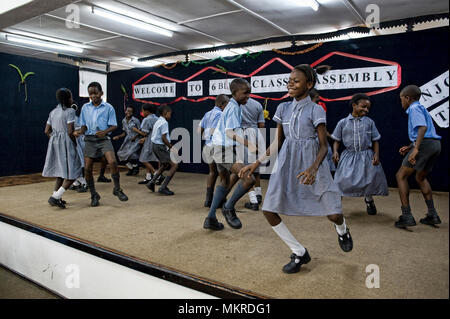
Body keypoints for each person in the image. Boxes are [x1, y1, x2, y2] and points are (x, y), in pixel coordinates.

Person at [239, 65, 352, 274]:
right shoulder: (282, 108)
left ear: (309, 85)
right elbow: (277, 142)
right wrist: (256, 163)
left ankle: (342, 229)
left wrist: (313, 168)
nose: (290, 83)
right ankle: (299, 251)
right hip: (287, 163)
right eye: (289, 80)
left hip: (313, 163)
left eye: (296, 81)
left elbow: (323, 145)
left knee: (334, 214)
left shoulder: (316, 109)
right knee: (269, 210)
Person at [203, 78, 257, 231]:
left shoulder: (235, 106)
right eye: (245, 93)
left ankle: (211, 218)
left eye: (250, 93)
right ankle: (228, 207)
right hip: (222, 150)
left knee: (225, 182)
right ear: (234, 93)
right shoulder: (233, 107)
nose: (248, 96)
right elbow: (229, 132)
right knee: (249, 178)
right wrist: (249, 144)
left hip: (217, 147)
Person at [331, 93, 389, 215]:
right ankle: (336, 207)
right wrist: (335, 151)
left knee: (367, 180)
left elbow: (375, 140)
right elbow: (337, 140)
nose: (366, 110)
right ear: (354, 105)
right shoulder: (342, 123)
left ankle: (369, 200)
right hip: (349, 156)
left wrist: (376, 154)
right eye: (363, 106)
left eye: (368, 108)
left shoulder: (369, 122)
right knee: (340, 181)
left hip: (366, 155)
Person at [394, 85, 442, 228]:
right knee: (420, 177)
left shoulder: (414, 108)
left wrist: (415, 149)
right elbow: (426, 131)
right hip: (435, 145)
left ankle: (407, 216)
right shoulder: (421, 108)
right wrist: (410, 146)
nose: (401, 102)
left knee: (400, 176)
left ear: (408, 98)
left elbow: (422, 128)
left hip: (424, 146)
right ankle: (433, 215)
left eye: (401, 99)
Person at [75, 82, 128, 206]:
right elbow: (83, 126)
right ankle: (94, 195)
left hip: (104, 139)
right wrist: (79, 132)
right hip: (89, 139)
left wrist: (104, 132)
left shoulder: (108, 107)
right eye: (90, 94)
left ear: (101, 93)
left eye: (95, 93)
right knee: (87, 168)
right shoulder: (85, 108)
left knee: (113, 162)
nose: (93, 96)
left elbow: (114, 125)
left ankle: (117, 189)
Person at [42, 88, 82, 208]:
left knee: (60, 172)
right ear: (68, 99)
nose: (72, 99)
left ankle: (57, 196)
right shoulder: (70, 111)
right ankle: (55, 197)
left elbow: (46, 131)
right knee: (74, 172)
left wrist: (55, 140)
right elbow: (70, 131)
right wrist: (74, 143)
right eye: (71, 97)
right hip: (67, 142)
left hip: (55, 143)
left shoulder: (53, 112)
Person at [198, 94, 229, 207]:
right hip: (217, 147)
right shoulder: (221, 114)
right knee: (224, 175)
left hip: (207, 146)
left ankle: (208, 200)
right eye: (227, 104)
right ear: (222, 104)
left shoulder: (207, 114)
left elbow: (200, 129)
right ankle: (221, 200)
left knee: (212, 172)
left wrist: (207, 139)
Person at [146, 104, 178, 195]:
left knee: (164, 165)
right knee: (175, 165)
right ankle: (163, 187)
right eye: (170, 113)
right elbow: (164, 138)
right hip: (160, 146)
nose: (170, 115)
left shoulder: (158, 121)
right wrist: (172, 147)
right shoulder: (164, 122)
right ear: (165, 113)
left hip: (155, 146)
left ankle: (151, 182)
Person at [241, 97, 266, 211]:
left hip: (244, 135)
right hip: (257, 134)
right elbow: (262, 125)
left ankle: (253, 201)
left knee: (245, 168)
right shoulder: (257, 104)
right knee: (256, 167)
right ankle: (259, 195)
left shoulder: (237, 104)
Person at [309, 88, 336, 174]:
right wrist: (331, 136)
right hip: (315, 141)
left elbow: (321, 128)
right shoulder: (316, 109)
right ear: (316, 96)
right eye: (318, 96)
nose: (319, 97)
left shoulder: (319, 108)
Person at [135, 104, 162, 185]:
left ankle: (157, 175)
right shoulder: (157, 118)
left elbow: (144, 133)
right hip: (157, 141)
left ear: (147, 111)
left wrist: (135, 130)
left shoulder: (146, 120)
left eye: (142, 110)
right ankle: (148, 177)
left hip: (149, 143)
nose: (142, 112)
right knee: (150, 159)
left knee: (143, 159)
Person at [113, 105, 141, 176]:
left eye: (130, 111)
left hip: (136, 140)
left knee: (131, 153)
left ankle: (136, 168)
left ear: (132, 113)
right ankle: (131, 168)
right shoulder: (123, 121)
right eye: (127, 111)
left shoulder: (136, 120)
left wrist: (135, 137)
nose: (128, 112)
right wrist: (118, 137)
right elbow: (125, 132)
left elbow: (140, 131)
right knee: (120, 153)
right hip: (128, 140)